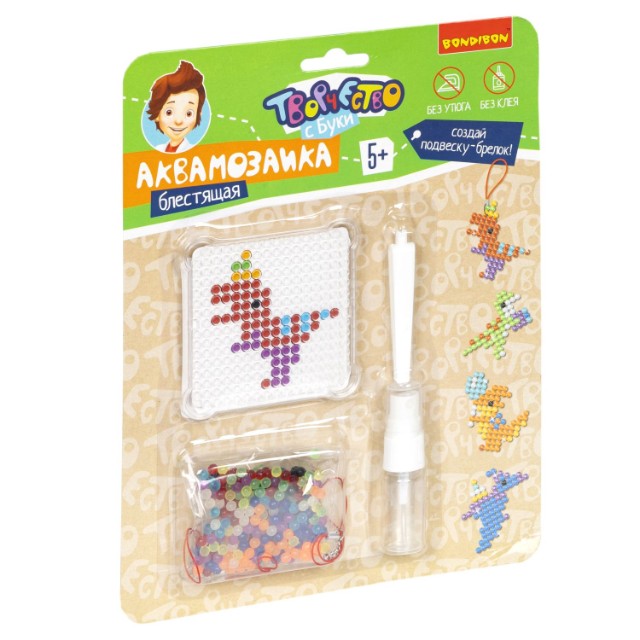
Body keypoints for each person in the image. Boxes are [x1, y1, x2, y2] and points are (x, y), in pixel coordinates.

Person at [147, 61, 206, 153]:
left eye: (189, 113)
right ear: (157, 114)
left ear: (199, 113)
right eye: (169, 112)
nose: (178, 121)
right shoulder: (158, 149)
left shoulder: (195, 151)